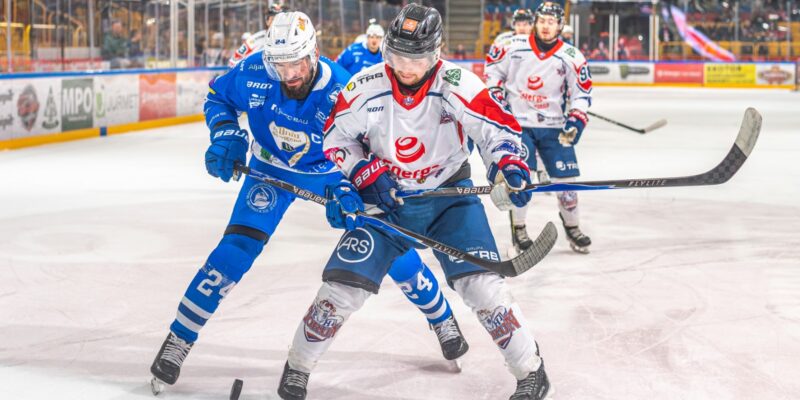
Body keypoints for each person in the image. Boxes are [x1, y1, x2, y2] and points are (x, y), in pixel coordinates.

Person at [149, 11, 467, 395]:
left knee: (390, 248)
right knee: (233, 252)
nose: (290, 73)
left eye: (298, 62)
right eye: (281, 64)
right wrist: (226, 134)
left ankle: (441, 317)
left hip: (334, 174)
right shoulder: (253, 72)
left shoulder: (342, 91)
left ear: (314, 53)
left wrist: (355, 186)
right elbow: (219, 96)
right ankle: (179, 340)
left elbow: (370, 149)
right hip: (272, 171)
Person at [277, 4, 550, 400]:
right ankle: (298, 366)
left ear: (435, 53)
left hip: (448, 201)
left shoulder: (458, 82)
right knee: (340, 289)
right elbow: (336, 139)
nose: (406, 67)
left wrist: (508, 166)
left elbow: (497, 129)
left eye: (417, 57)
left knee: (483, 289)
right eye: (398, 56)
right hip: (387, 202)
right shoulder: (365, 85)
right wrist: (363, 172)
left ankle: (532, 373)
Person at [485, 1, 593, 254]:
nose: (546, 26)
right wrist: (498, 98)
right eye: (542, 21)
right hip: (518, 125)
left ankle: (573, 227)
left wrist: (576, 119)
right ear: (536, 22)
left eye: (551, 22)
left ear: (560, 25)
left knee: (567, 183)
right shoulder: (512, 47)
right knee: (521, 180)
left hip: (554, 127)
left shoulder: (571, 56)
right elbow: (493, 76)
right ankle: (519, 229)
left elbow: (582, 93)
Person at [228, 2, 288, 67]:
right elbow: (233, 61)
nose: (277, 22)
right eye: (273, 19)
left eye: (280, 19)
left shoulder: (291, 39)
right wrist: (250, 70)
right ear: (267, 21)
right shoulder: (255, 39)